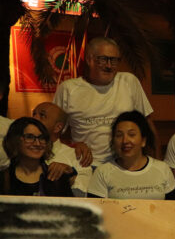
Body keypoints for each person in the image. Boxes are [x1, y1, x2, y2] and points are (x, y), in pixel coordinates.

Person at [53, 36, 156, 166]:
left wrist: (155, 164)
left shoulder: (129, 81)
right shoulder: (68, 89)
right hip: (85, 166)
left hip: (125, 165)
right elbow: (53, 132)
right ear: (89, 60)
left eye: (113, 60)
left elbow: (147, 124)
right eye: (103, 59)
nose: (108, 66)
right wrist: (73, 146)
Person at [88, 111, 175, 200]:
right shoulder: (102, 173)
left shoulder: (162, 169)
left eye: (131, 134)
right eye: (119, 135)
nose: (125, 141)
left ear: (143, 141)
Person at [32, 102, 92, 196]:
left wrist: (69, 175)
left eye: (42, 115)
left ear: (58, 127)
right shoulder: (21, 151)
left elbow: (81, 196)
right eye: (34, 114)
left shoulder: (77, 157)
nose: (34, 118)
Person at [1, 117, 73, 196]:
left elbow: (70, 207)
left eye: (41, 138)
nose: (37, 144)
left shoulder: (56, 176)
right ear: (15, 140)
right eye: (29, 137)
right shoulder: (3, 179)